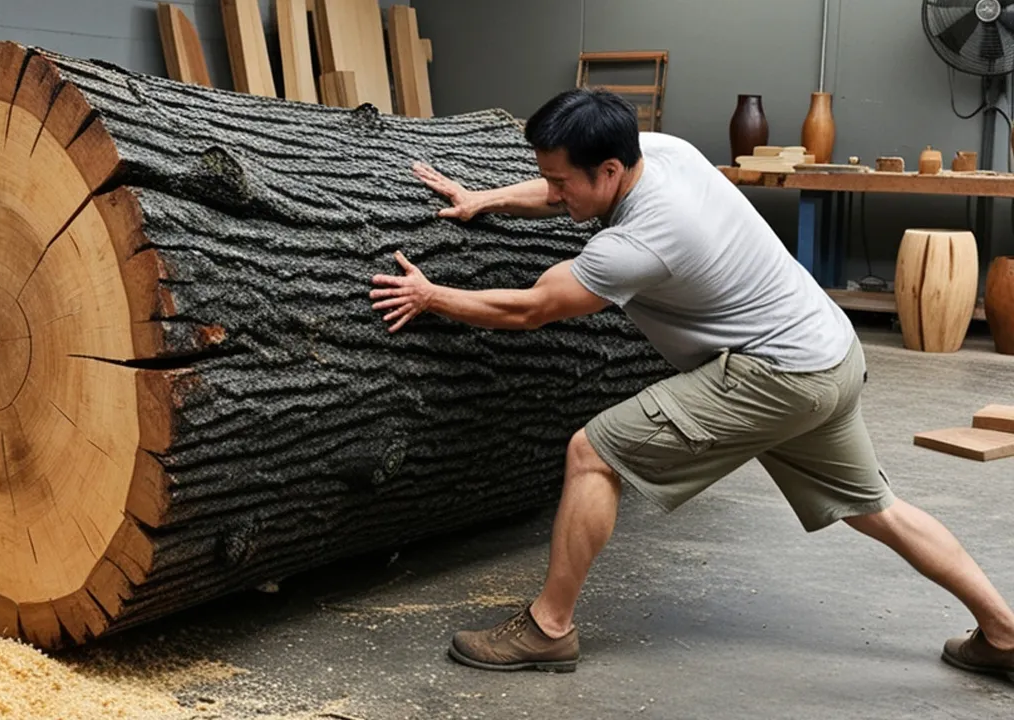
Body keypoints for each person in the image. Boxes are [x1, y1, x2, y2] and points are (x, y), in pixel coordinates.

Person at [368, 88, 1014, 679]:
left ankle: (548, 629)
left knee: (593, 454)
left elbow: (531, 309)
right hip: (827, 350)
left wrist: (430, 295)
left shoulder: (642, 241)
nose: (553, 192)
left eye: (561, 181)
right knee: (879, 509)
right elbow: (562, 191)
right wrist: (485, 199)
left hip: (776, 374)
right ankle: (1006, 634)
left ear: (609, 171)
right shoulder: (660, 150)